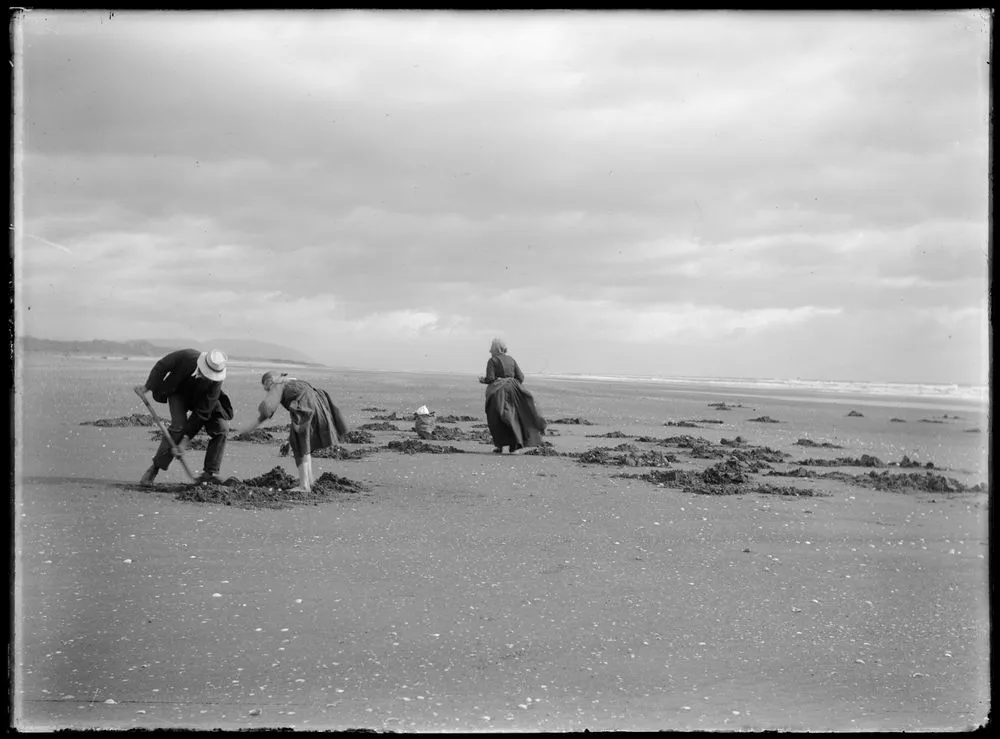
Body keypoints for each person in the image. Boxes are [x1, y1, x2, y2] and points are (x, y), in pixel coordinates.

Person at [236, 371, 348, 492]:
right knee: (305, 443)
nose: (266, 390)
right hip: (317, 402)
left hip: (305, 406)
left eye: (265, 387)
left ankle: (304, 486)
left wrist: (250, 428)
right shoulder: (289, 381)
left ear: (268, 381)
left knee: (299, 443)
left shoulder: (276, 385)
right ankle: (309, 480)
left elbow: (267, 409)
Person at [135, 348, 234, 485]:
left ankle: (209, 474)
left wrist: (184, 442)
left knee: (222, 429)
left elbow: (203, 411)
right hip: (178, 392)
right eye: (207, 374)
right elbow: (162, 366)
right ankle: (154, 468)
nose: (208, 378)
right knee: (179, 427)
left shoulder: (216, 380)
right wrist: (148, 386)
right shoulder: (187, 357)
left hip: (203, 399)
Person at [478, 338, 546, 453]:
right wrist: (511, 382)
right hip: (513, 389)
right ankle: (514, 445)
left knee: (496, 418)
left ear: (495, 349)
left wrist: (483, 380)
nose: (490, 351)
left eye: (491, 348)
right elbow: (521, 377)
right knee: (513, 417)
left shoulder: (492, 361)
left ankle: (500, 446)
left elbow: (490, 378)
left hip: (498, 392)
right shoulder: (511, 359)